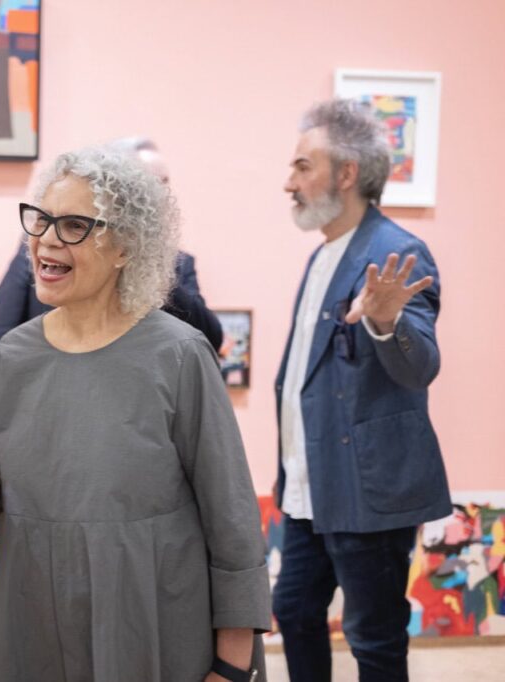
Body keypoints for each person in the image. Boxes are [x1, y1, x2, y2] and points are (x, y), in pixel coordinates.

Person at [0, 145, 270, 682]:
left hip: (151, 619)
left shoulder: (180, 355)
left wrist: (232, 664)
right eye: (42, 220)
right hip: (35, 616)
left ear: (125, 248)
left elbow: (230, 515)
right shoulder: (15, 355)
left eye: (73, 225)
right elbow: (15, 467)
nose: (46, 238)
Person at [271, 99, 451, 682]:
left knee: (373, 639)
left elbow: (419, 366)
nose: (288, 182)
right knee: (293, 611)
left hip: (368, 488)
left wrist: (384, 322)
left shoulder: (395, 254)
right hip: (307, 485)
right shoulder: (323, 253)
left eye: (302, 166)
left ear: (346, 173)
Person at [0, 138, 222, 416]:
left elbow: (210, 335)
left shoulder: (177, 267)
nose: (155, 192)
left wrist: (152, 266)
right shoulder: (40, 249)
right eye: (146, 182)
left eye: (162, 183)